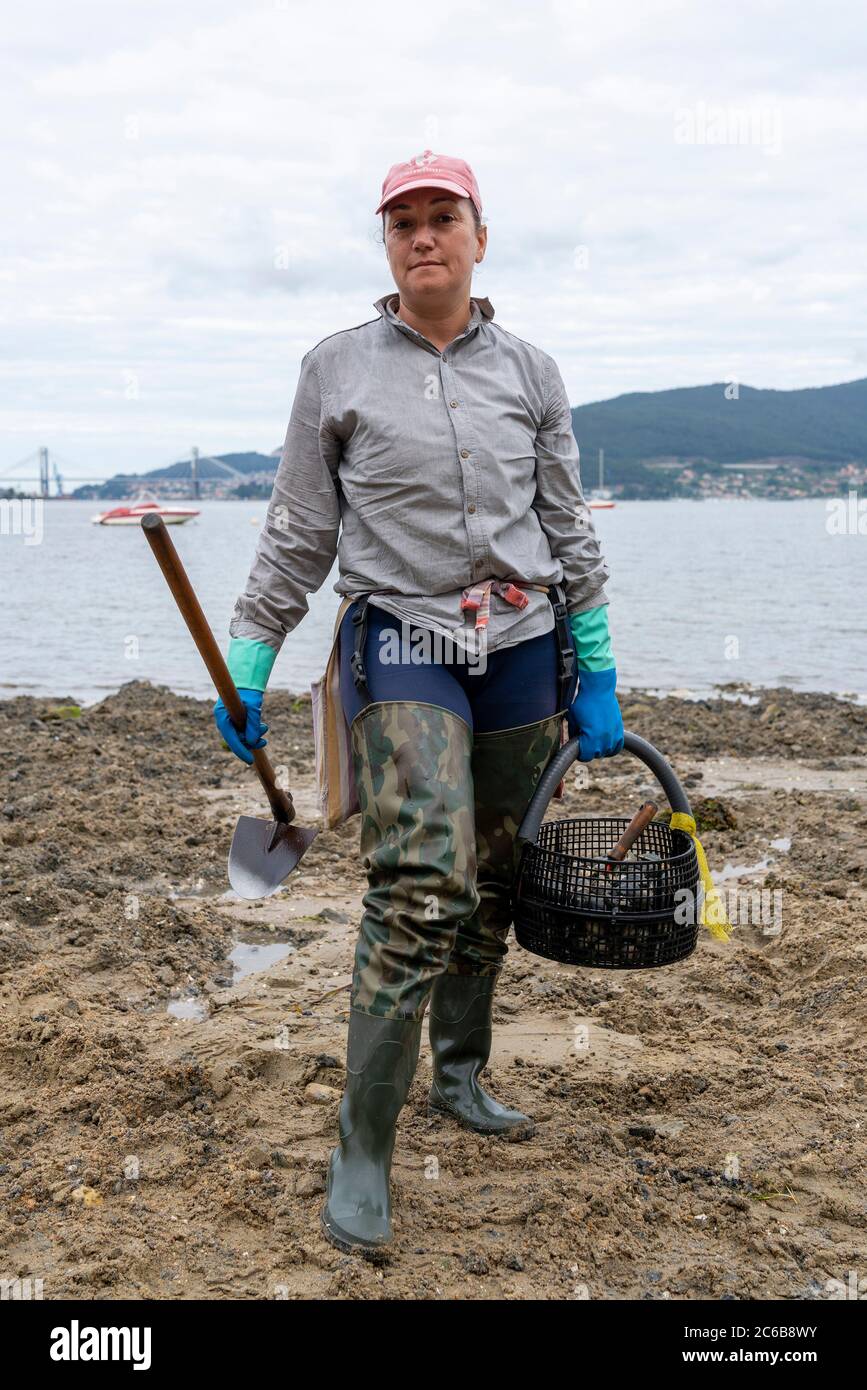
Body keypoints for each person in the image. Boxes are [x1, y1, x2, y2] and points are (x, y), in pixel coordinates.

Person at [214, 149, 623, 1255]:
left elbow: (568, 523)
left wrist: (599, 661)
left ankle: (459, 1075)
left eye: (444, 217)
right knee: (419, 878)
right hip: (403, 638)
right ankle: (361, 1145)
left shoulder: (532, 371)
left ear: (481, 237)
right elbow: (299, 527)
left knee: (496, 874)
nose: (424, 236)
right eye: (403, 223)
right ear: (386, 246)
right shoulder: (335, 370)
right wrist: (252, 657)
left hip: (527, 642)